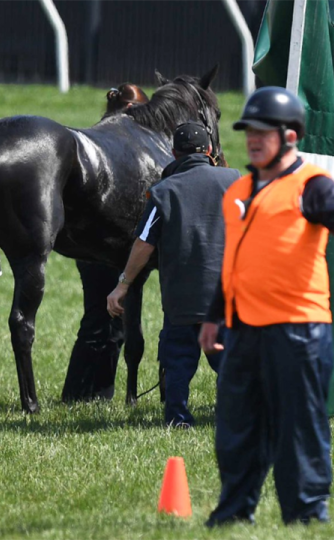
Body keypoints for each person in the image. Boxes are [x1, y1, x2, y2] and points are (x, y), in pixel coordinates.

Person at [200, 87, 334, 525]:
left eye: (265, 131)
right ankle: (234, 512)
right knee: (236, 428)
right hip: (243, 330)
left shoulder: (312, 186)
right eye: (249, 131)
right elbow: (234, 261)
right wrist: (213, 317)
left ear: (291, 135)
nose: (254, 139)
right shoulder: (237, 192)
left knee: (300, 430)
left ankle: (306, 513)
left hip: (299, 331)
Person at [106, 121, 241, 426]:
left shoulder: (164, 192)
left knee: (178, 361)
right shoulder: (235, 181)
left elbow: (143, 245)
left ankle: (178, 416)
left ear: (173, 153)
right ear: (209, 151)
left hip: (182, 300)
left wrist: (123, 285)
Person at [61, 83, 150, 402]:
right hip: (110, 247)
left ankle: (81, 393)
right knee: (108, 321)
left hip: (84, 243)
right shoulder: (126, 143)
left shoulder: (103, 135)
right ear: (132, 111)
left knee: (95, 317)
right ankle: (94, 394)